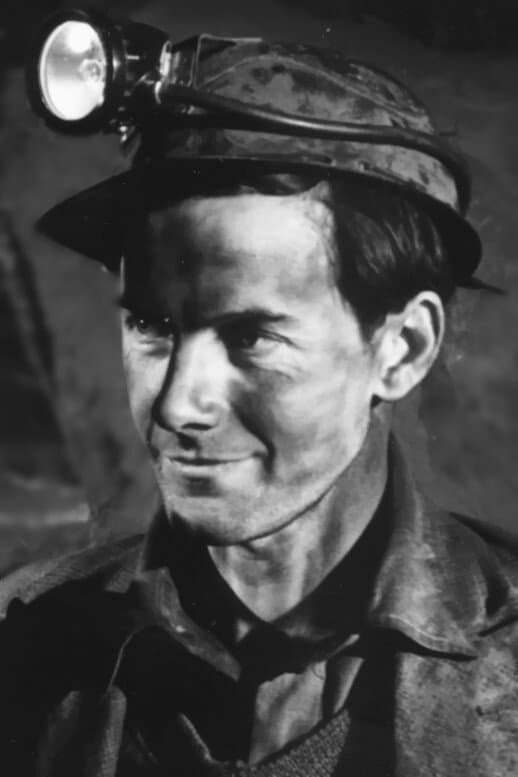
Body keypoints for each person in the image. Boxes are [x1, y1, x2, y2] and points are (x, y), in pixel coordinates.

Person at [1, 28, 517, 777]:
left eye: (250, 336)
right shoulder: (22, 636)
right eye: (151, 327)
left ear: (403, 349)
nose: (177, 405)